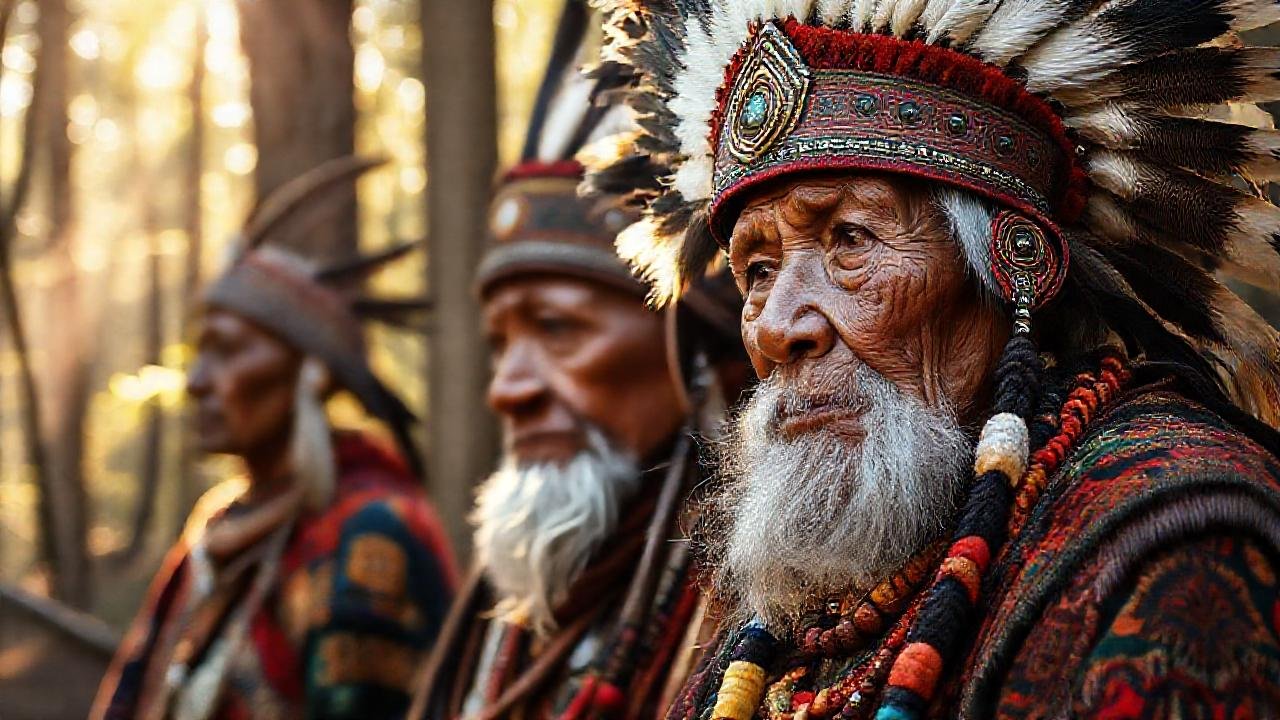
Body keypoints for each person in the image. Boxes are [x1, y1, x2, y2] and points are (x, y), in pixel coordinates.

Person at [589, 2, 1280, 717]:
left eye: (849, 239)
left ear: (1010, 266)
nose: (776, 329)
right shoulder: (809, 606)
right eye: (758, 270)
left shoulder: (1172, 548)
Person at [407, 3, 748, 718]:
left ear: (698, 349)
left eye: (557, 328)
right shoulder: (511, 611)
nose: (507, 389)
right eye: (500, 344)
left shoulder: (770, 601)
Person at [92, 157, 456, 720]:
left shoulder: (371, 537)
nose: (196, 381)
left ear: (310, 373)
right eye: (200, 351)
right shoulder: (222, 522)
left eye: (230, 350)